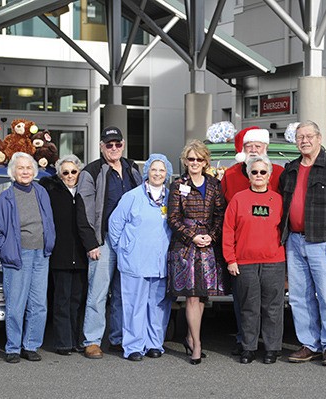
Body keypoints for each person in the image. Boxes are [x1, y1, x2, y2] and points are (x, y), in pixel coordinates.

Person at [280, 120, 326, 366]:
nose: (304, 141)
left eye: (309, 136)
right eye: (300, 137)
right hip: (295, 241)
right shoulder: (290, 169)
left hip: (324, 244)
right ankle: (309, 344)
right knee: (299, 297)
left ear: (319, 138)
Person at [76, 126, 142, 359]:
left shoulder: (133, 168)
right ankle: (92, 341)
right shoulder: (91, 171)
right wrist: (91, 243)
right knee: (98, 293)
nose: (114, 148)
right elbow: (83, 209)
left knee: (123, 292)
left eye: (117, 144)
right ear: (101, 146)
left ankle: (119, 338)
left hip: (128, 242)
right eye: (109, 144)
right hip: (102, 241)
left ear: (123, 144)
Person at [220, 125, 285, 355]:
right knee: (246, 306)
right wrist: (231, 258)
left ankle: (271, 348)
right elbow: (227, 225)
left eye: (258, 146)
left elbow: (284, 225)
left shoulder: (279, 189)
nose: (254, 150)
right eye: (249, 146)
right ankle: (246, 344)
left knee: (272, 307)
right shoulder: (232, 183)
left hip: (272, 260)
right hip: (244, 259)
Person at [0, 152, 56, 363]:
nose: (25, 172)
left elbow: (48, 220)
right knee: (16, 304)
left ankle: (31, 345)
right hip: (17, 256)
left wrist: (50, 242)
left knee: (39, 304)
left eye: (28, 168)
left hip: (41, 255)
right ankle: (13, 348)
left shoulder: (41, 192)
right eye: (20, 168)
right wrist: (6, 249)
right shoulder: (6, 197)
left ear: (34, 171)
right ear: (13, 172)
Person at [109, 154, 174, 361]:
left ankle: (154, 343)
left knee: (158, 305)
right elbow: (115, 225)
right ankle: (133, 346)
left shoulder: (171, 198)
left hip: (159, 261)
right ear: (147, 172)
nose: (157, 174)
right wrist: (124, 249)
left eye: (162, 170)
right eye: (154, 169)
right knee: (133, 305)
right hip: (135, 261)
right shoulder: (132, 197)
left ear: (167, 174)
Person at [168, 140, 226, 365]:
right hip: (186, 247)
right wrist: (192, 235)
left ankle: (191, 338)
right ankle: (197, 344)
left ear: (205, 161)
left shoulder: (213, 184)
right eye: (190, 159)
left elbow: (220, 214)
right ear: (185, 161)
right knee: (191, 296)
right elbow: (172, 218)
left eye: (199, 159)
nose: (195, 163)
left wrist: (212, 235)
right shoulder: (178, 184)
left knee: (201, 297)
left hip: (208, 245)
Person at [39, 154, 88, 356]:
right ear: (59, 175)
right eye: (65, 172)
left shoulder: (84, 192)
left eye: (73, 172)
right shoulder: (52, 192)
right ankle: (63, 342)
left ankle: (77, 340)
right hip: (60, 255)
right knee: (61, 300)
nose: (69, 176)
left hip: (81, 255)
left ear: (79, 172)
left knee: (77, 300)